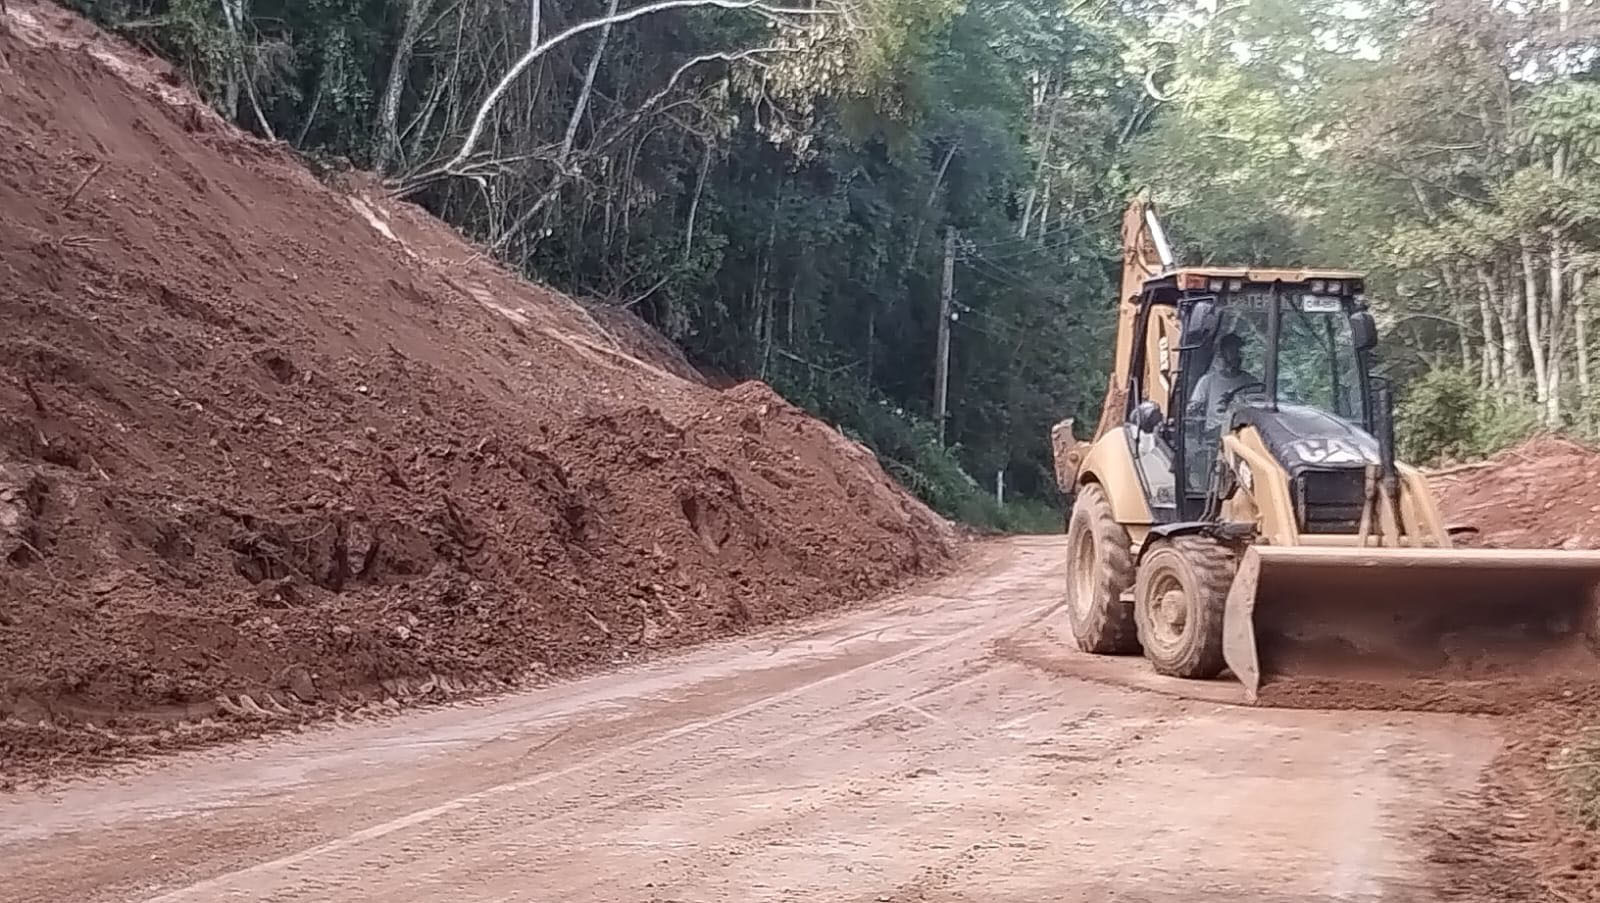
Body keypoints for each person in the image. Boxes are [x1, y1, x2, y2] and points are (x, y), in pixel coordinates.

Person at [1188, 332, 1257, 429]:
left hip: (1241, 432)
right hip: (1212, 436)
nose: (1236, 355)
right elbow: (1193, 408)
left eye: (1239, 351)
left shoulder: (1251, 382)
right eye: (1232, 351)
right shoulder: (1207, 381)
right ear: (1223, 354)